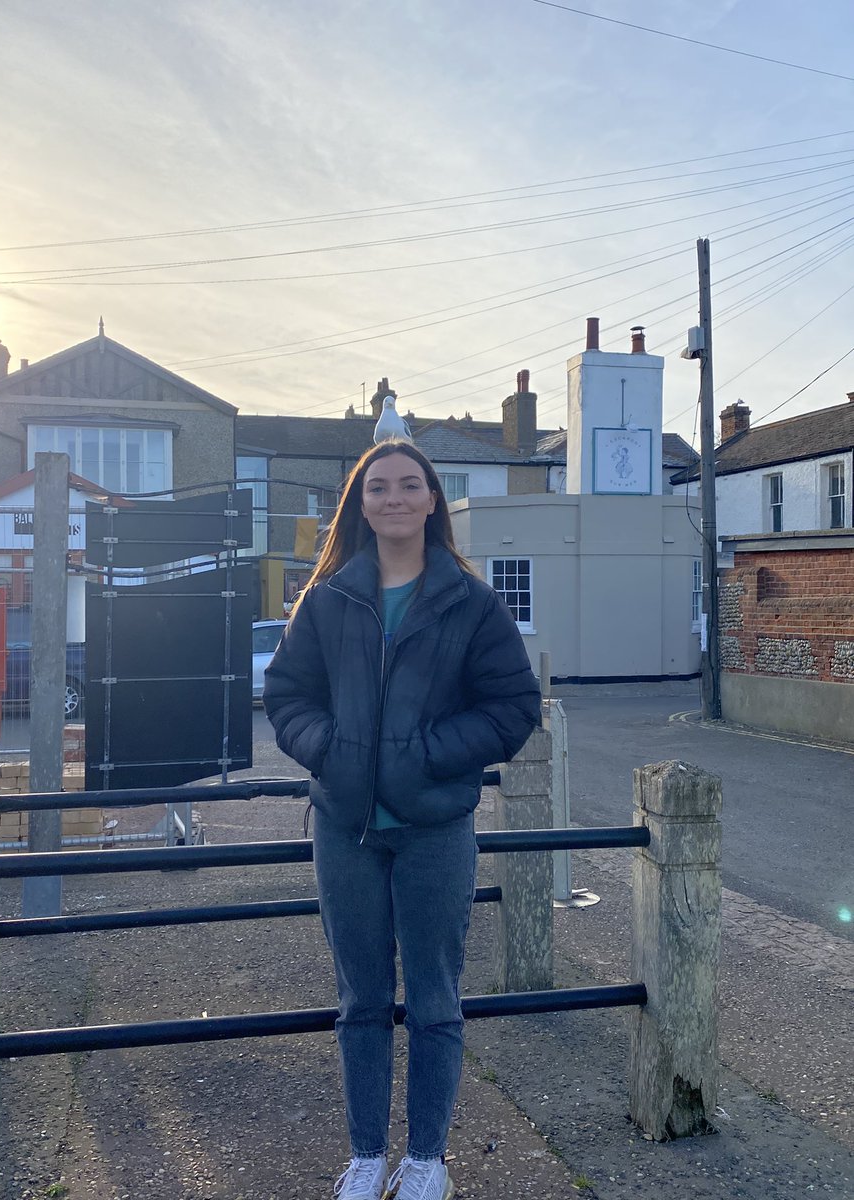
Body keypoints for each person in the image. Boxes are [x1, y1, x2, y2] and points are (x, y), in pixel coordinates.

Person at [264, 440, 540, 1200]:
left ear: (430, 502)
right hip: (345, 828)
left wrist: (426, 753)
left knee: (434, 998)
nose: (392, 498)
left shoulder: (470, 601)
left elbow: (513, 707)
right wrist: (334, 749)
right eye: (376, 487)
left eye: (408, 485)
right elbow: (286, 695)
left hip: (434, 830)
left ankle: (426, 1160)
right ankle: (366, 1155)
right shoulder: (326, 600)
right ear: (359, 503)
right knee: (359, 999)